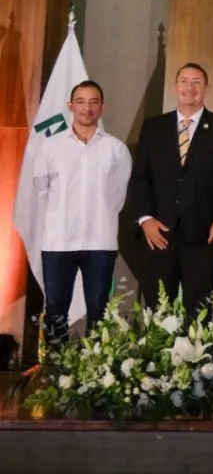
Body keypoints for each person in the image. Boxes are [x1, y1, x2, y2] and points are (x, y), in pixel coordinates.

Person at [126, 63, 213, 321]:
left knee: (199, 311)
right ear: (176, 86)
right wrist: (145, 219)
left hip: (206, 236)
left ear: (206, 88)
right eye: (184, 81)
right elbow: (140, 178)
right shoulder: (153, 128)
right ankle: (157, 361)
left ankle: (199, 361)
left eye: (197, 82)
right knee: (157, 309)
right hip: (159, 234)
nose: (190, 87)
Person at [31, 80, 131, 344]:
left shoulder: (116, 149)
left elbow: (119, 195)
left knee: (99, 309)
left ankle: (94, 374)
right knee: (55, 311)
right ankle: (55, 374)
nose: (87, 108)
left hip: (100, 241)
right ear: (70, 106)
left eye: (94, 102)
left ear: (103, 107)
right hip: (58, 241)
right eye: (81, 101)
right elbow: (42, 191)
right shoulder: (51, 147)